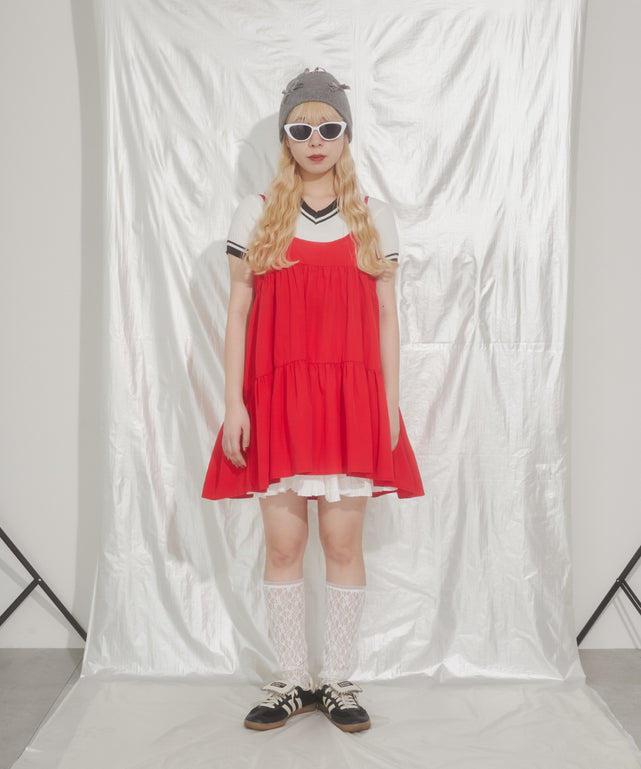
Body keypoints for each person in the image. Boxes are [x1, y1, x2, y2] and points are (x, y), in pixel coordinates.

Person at [202, 67, 424, 733]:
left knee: (342, 542)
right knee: (282, 545)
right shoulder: (256, 213)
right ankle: (293, 679)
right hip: (277, 401)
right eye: (301, 129)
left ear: (346, 134)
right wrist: (234, 403)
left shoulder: (373, 218)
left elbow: (387, 318)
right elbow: (237, 314)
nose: (316, 139)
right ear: (285, 138)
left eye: (329, 126)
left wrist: (389, 403)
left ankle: (338, 679)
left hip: (351, 401)